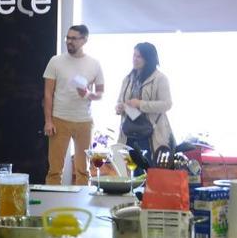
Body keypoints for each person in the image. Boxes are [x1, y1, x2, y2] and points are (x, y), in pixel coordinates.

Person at [43, 24, 105, 185]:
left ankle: (81, 207)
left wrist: (89, 94)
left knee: (83, 170)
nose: (69, 41)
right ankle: (52, 206)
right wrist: (48, 121)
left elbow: (100, 93)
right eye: (68, 38)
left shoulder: (94, 64)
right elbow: (48, 94)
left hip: (84, 121)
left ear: (84, 40)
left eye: (74, 38)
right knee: (55, 170)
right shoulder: (55, 61)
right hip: (59, 119)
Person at [115, 42, 173, 161]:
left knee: (148, 172)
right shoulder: (128, 78)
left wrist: (140, 104)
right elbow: (120, 100)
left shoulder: (160, 78)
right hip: (129, 133)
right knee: (130, 172)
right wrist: (119, 107)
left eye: (138, 56)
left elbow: (167, 104)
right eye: (134, 55)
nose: (134, 59)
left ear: (148, 58)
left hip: (151, 135)